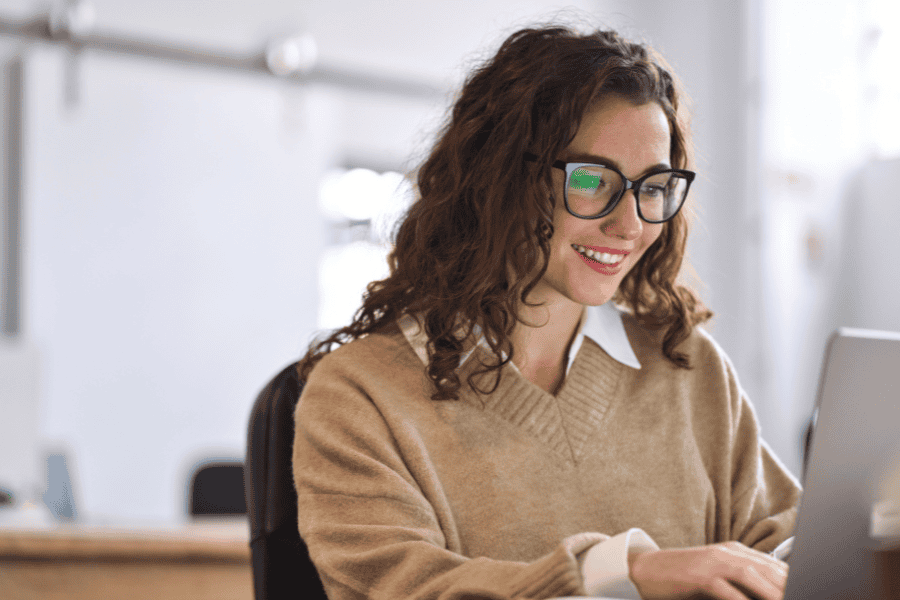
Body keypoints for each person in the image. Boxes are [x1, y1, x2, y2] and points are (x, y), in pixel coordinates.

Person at [293, 24, 801, 600]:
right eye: (592, 179)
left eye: (653, 187)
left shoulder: (689, 368)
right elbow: (409, 589)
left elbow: (786, 551)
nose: (631, 225)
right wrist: (625, 572)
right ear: (499, 179)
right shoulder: (359, 396)